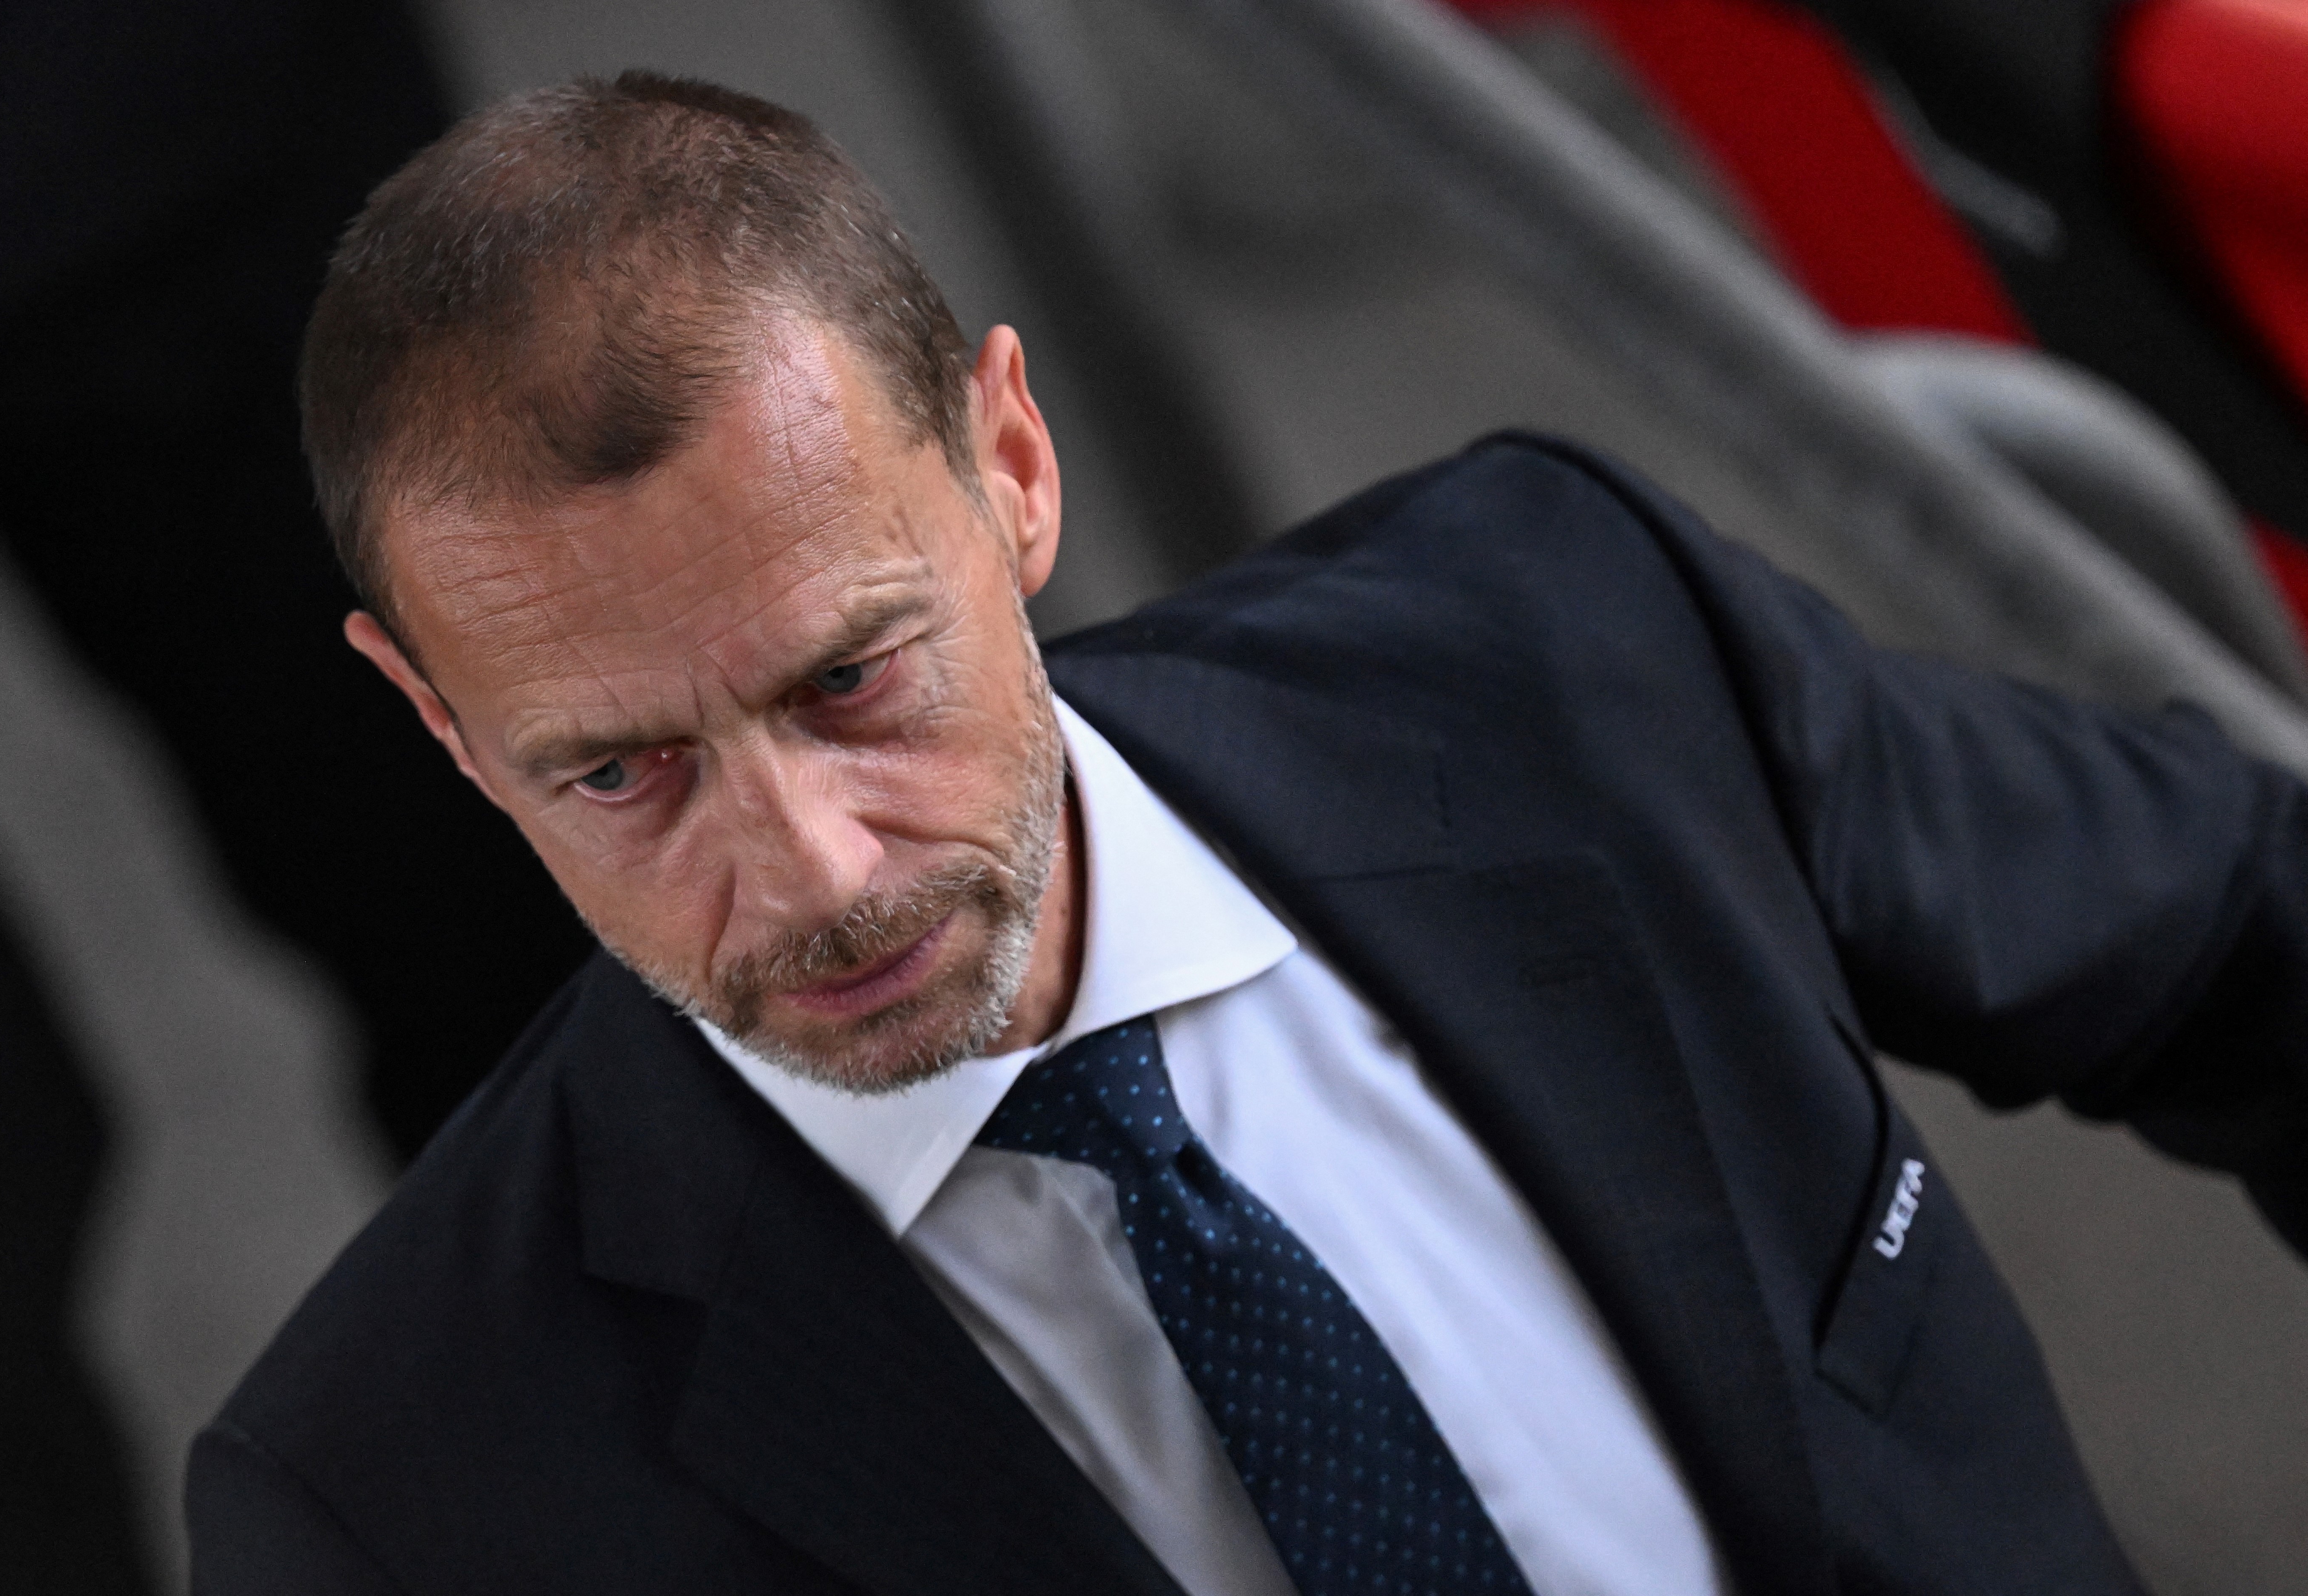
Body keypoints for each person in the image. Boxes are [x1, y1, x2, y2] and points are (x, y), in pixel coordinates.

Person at [187, 72, 2308, 1595]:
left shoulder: (1564, 652)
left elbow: (2243, 935)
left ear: (1012, 467)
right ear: (443, 725)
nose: (816, 869)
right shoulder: (396, 1499)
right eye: (618, 771)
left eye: (852, 681)